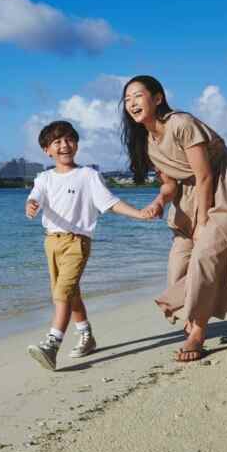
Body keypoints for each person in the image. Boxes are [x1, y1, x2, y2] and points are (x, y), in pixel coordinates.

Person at [121, 75, 227, 362]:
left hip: (224, 186)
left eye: (138, 96)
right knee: (179, 263)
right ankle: (190, 310)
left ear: (157, 98)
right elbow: (170, 184)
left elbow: (205, 174)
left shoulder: (181, 124)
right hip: (189, 194)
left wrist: (203, 221)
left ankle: (197, 332)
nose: (132, 103)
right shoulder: (148, 144)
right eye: (127, 99)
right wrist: (159, 201)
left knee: (205, 255)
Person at [25, 120, 150, 371]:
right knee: (70, 293)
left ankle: (52, 344)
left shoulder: (88, 175)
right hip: (51, 242)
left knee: (62, 293)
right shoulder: (44, 178)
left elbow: (110, 202)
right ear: (47, 150)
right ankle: (86, 335)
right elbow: (36, 194)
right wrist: (31, 204)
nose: (64, 145)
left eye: (69, 139)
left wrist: (139, 214)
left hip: (77, 242)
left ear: (77, 144)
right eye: (57, 142)